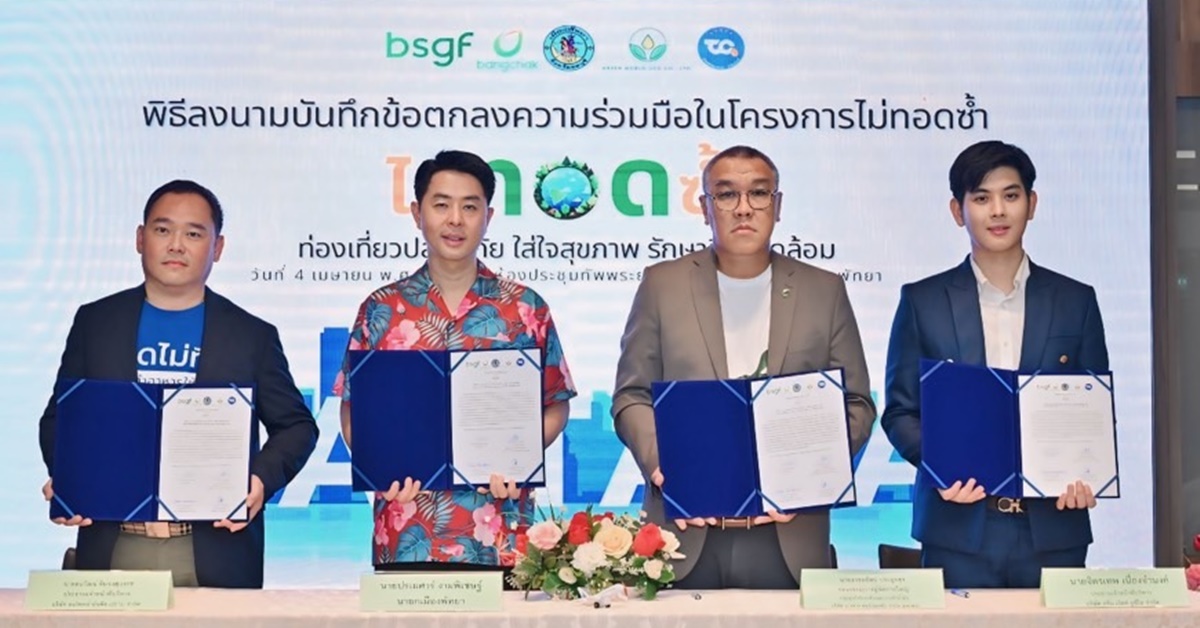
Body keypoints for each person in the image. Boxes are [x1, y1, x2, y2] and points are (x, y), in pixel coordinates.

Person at [611, 145, 876, 589]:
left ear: (778, 205)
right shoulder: (662, 284)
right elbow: (631, 396)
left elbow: (856, 404)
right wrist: (664, 466)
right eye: (726, 194)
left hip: (788, 536)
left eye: (758, 193)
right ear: (705, 208)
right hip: (683, 534)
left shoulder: (823, 289)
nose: (743, 208)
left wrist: (811, 473)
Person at [38, 179, 319, 588]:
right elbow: (60, 419)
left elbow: (296, 426)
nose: (176, 245)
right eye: (162, 229)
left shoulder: (251, 335)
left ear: (217, 248)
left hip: (213, 551)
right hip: (114, 543)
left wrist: (259, 480)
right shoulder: (95, 322)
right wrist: (70, 476)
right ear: (140, 238)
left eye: (193, 234)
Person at [335, 149, 575, 576]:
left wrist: (519, 458)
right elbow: (353, 408)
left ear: (489, 217)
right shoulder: (381, 309)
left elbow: (555, 402)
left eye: (470, 207)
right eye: (441, 205)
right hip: (407, 531)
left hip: (500, 535)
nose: (455, 220)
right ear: (417, 213)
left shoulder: (524, 307)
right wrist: (383, 467)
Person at [882, 140, 1107, 588]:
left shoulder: (1076, 301)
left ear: (1032, 203)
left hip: (1054, 530)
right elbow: (900, 411)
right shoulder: (923, 301)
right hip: (957, 529)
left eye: (1011, 195)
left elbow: (1096, 410)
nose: (998, 211)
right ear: (957, 210)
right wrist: (940, 466)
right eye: (982, 198)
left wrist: (1087, 471)